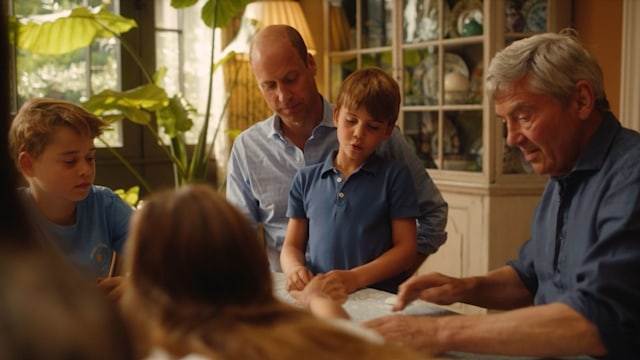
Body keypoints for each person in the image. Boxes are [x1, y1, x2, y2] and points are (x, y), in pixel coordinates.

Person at [365, 29, 640, 359]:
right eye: (505, 122)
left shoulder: (631, 174)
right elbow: (530, 278)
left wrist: (438, 332)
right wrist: (463, 287)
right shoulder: (562, 175)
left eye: (523, 116)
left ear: (581, 100)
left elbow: (600, 319)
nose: (511, 139)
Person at [226, 24, 448, 273]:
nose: (283, 95)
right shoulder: (248, 149)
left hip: (363, 295)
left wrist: (389, 277)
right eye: (269, 86)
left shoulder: (373, 133)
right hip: (290, 295)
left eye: (291, 79)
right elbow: (235, 240)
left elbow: (433, 215)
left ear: (311, 64)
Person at [120, 184, 428, 360]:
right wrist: (316, 299)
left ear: (150, 285)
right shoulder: (341, 341)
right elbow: (337, 326)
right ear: (251, 265)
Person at [280, 67, 418, 294]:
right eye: (351, 120)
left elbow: (406, 250)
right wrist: (294, 268)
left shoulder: (395, 177)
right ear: (336, 116)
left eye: (372, 127)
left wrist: (355, 278)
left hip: (377, 301)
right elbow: (292, 246)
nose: (358, 133)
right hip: (321, 297)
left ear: (388, 130)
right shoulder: (305, 179)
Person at [8, 98, 134, 301]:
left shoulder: (105, 205)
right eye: (69, 161)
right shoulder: (11, 217)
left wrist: (134, 284)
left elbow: (165, 259)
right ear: (28, 164)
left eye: (90, 158)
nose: (85, 170)